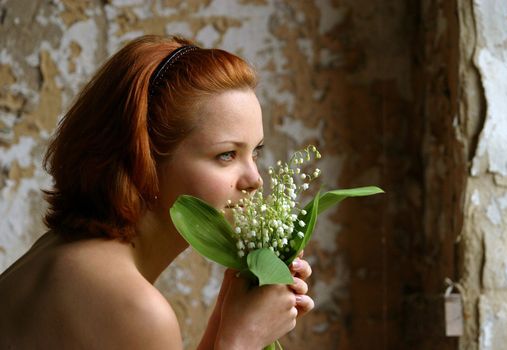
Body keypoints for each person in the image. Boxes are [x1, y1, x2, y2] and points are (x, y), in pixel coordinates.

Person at [0, 35, 314, 349]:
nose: (255, 179)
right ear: (144, 160)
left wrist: (228, 312)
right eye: (227, 155)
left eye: (255, 152)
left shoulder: (66, 253)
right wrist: (243, 340)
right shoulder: (134, 307)